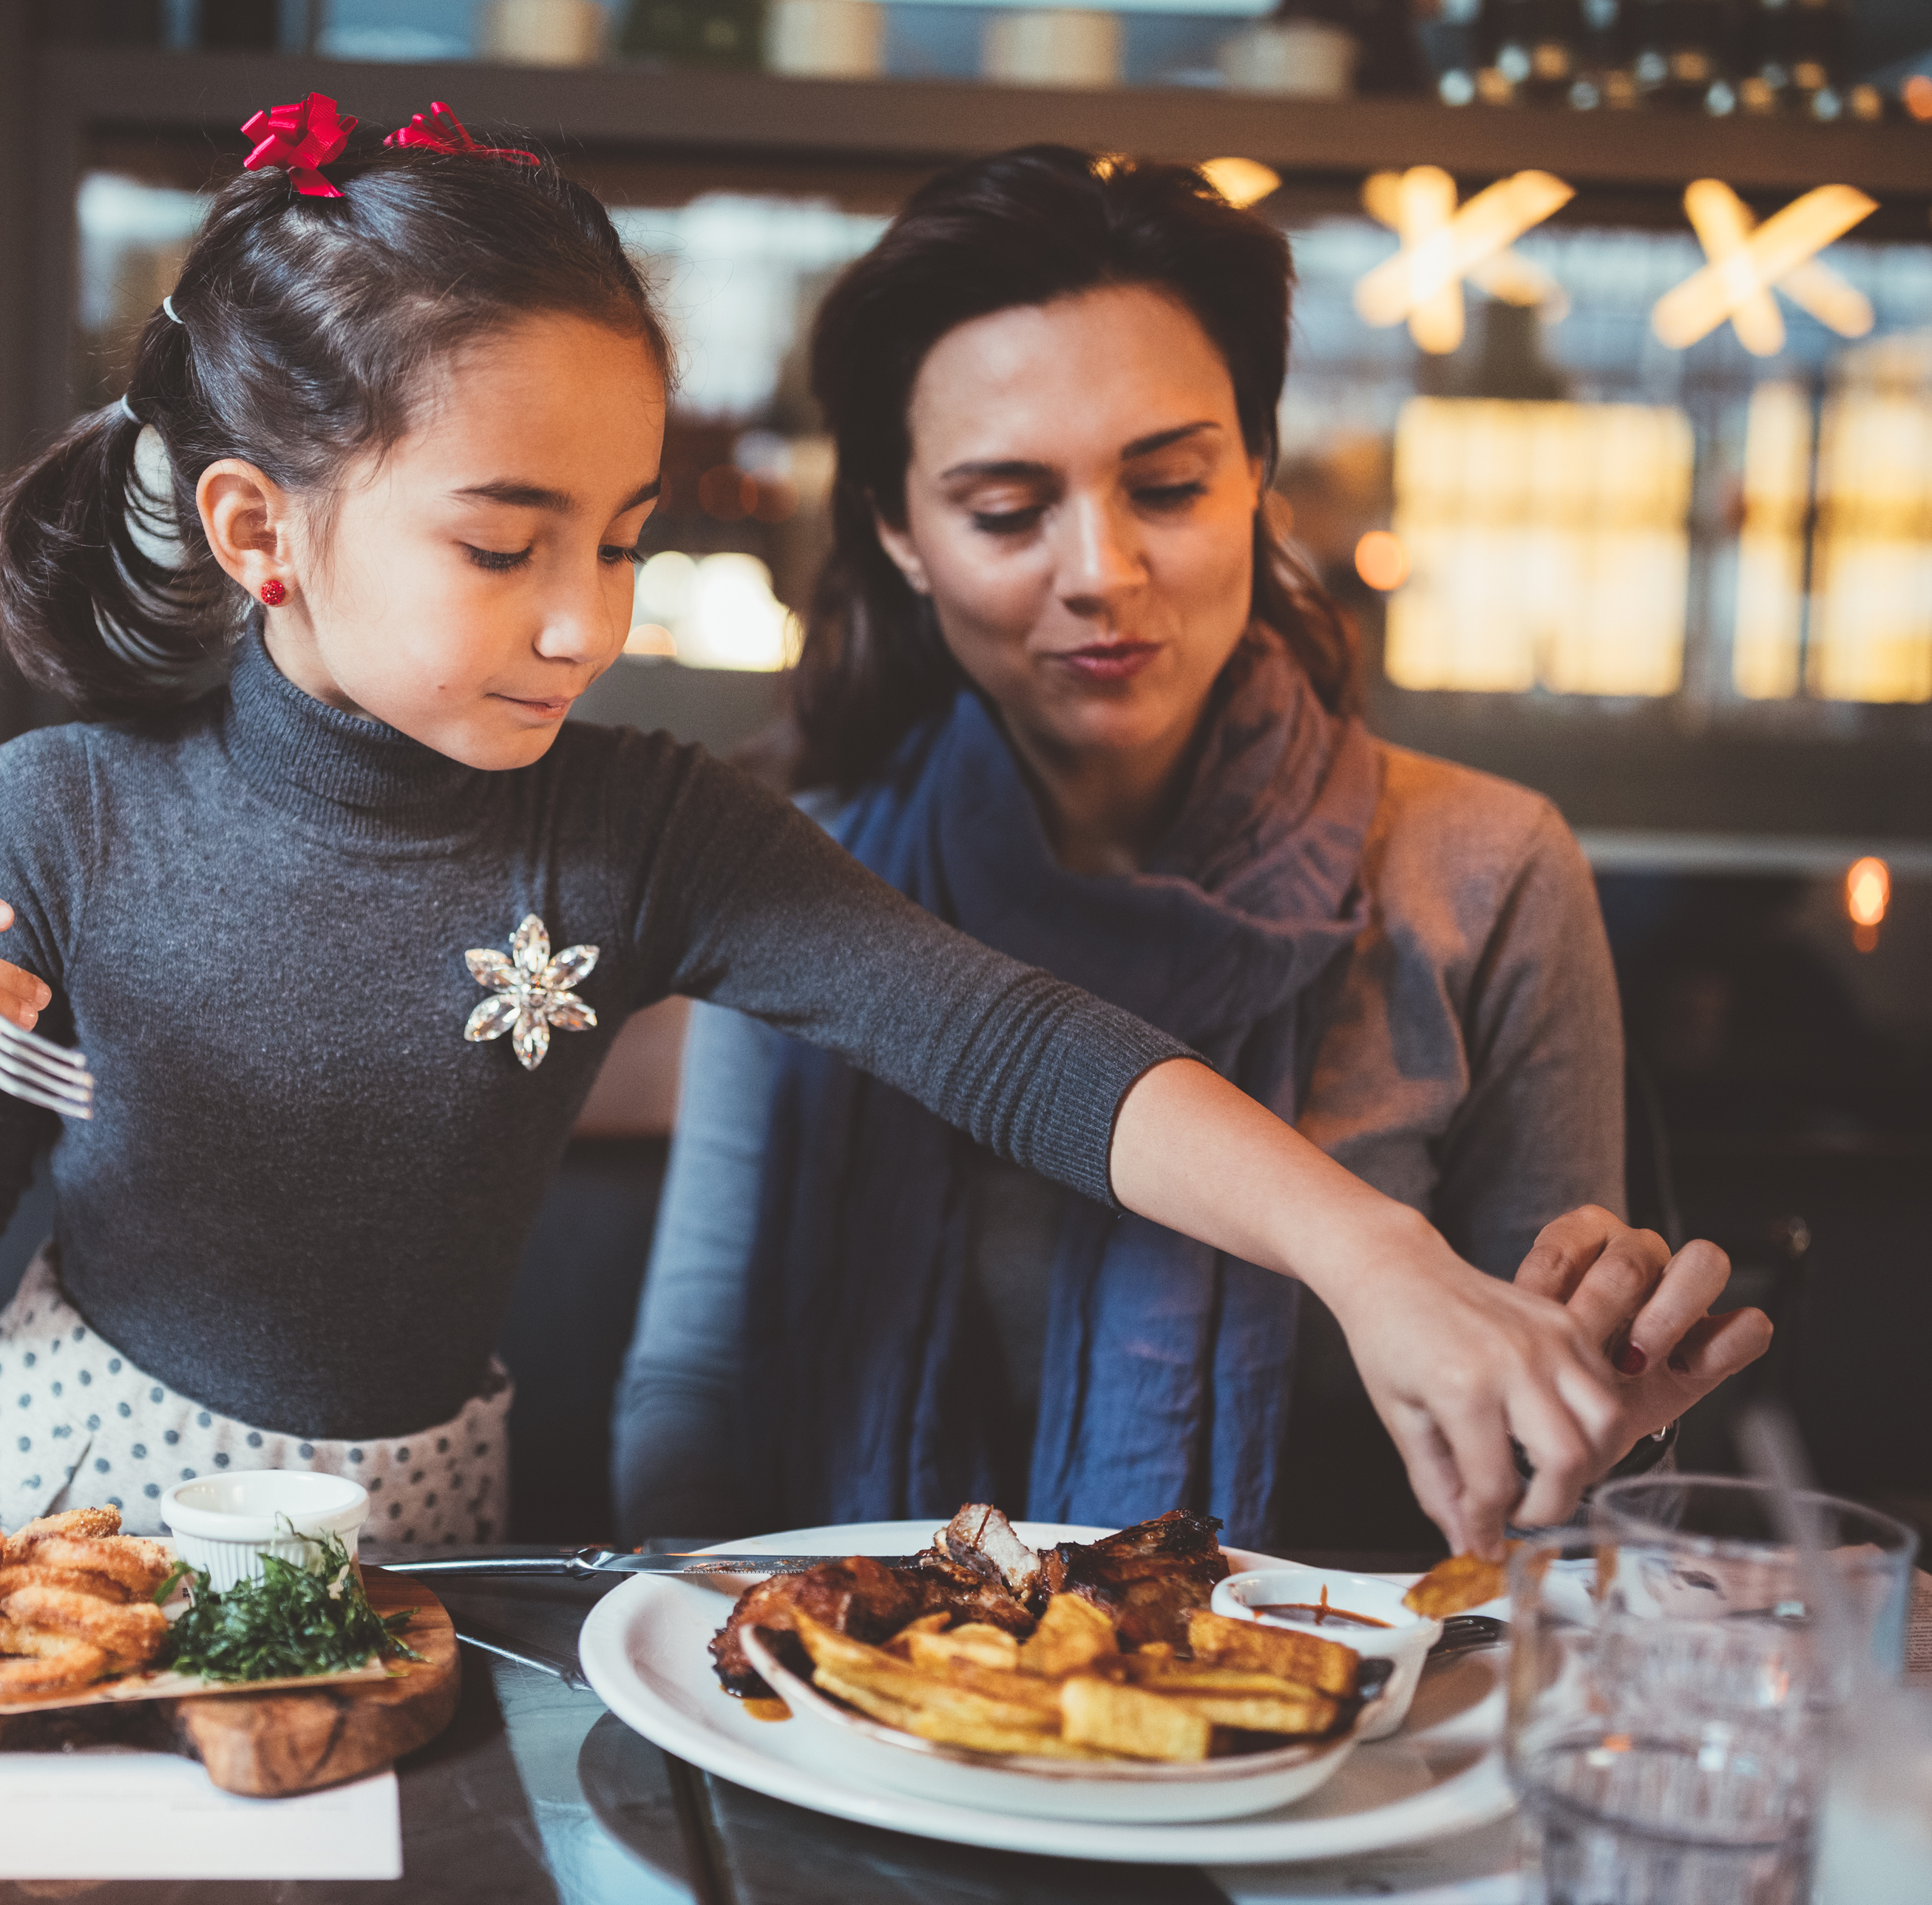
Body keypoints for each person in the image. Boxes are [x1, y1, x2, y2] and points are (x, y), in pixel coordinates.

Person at [0, 101, 1641, 1563]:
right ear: (253, 529)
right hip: (65, 1515)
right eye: (501, 541)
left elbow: (1010, 1044)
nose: (586, 623)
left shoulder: (647, 833)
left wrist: (1374, 1255)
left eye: (620, 537)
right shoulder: (60, 812)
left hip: (426, 1535)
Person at [610, 147, 1771, 1549]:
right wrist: (723, 1660)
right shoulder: (805, 872)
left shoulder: (1484, 870)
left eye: (1166, 487)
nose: (1100, 570)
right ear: (900, 532)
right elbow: (695, 1384)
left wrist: (1584, 1422)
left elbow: (1539, 1468)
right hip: (855, 1705)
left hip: (1320, 1717)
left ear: (1259, 476)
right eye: (1005, 510)